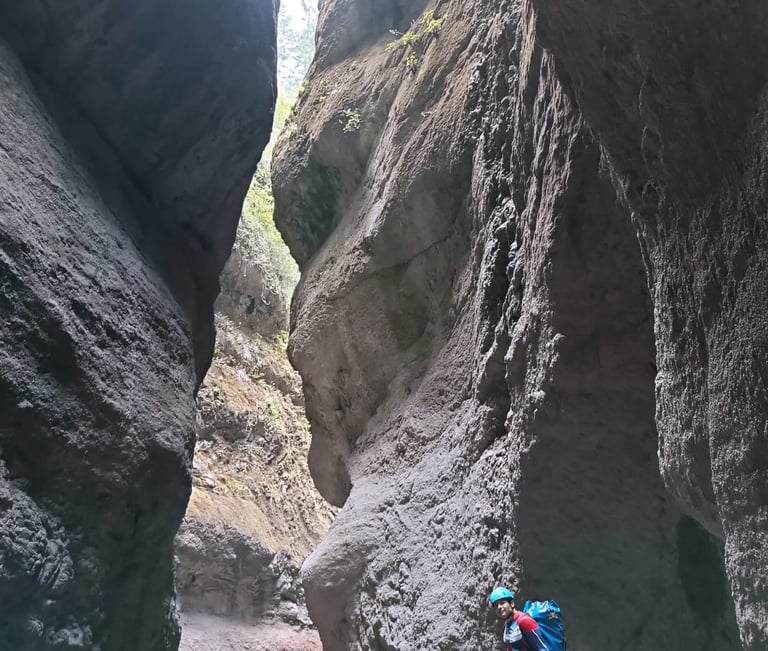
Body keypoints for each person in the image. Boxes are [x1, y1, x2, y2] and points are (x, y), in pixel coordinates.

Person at [489, 586, 550, 651]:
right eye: (496, 606)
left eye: (502, 603)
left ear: (512, 603)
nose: (499, 607)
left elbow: (542, 648)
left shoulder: (524, 621)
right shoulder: (508, 624)